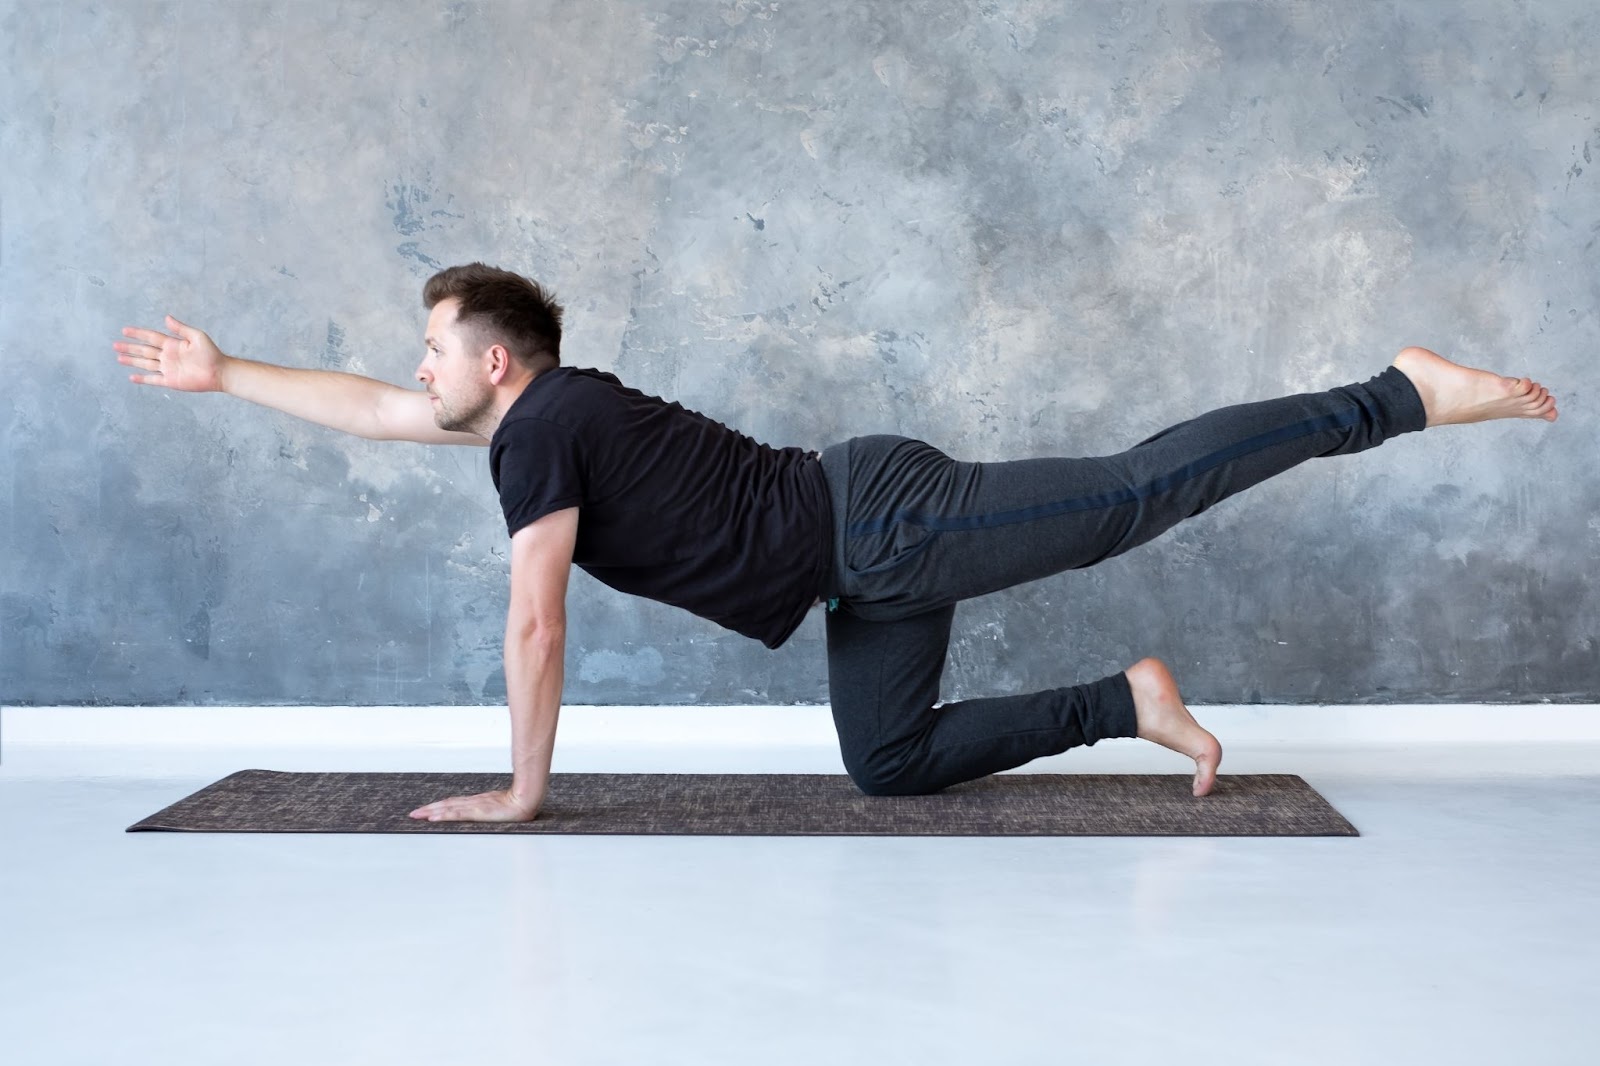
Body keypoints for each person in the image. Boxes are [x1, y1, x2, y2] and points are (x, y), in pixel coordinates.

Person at [114, 262, 1560, 823]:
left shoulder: (541, 428)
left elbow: (535, 621)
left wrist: (521, 789)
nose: (412, 367)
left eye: (433, 346)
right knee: (887, 759)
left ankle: (1396, 394)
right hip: (851, 567)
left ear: (498, 364)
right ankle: (1127, 704)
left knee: (1128, 495)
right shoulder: (531, 419)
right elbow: (372, 412)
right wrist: (227, 372)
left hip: (883, 521)